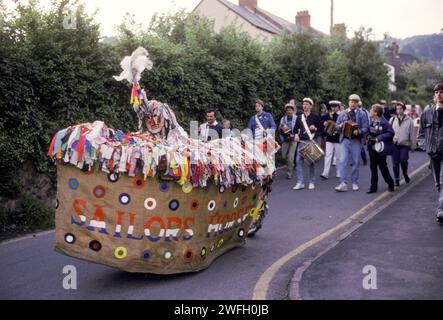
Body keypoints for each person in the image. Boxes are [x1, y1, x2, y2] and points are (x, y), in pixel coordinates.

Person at [417, 83, 443, 223]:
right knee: (437, 183)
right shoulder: (427, 113)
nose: (439, 94)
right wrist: (425, 146)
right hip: (433, 152)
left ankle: (440, 210)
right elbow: (420, 133)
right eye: (437, 92)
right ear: (434, 95)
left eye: (441, 91)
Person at [335, 94, 369, 192]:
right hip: (345, 140)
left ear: (358, 103)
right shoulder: (342, 113)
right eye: (351, 101)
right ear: (348, 102)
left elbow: (365, 127)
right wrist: (340, 126)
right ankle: (343, 183)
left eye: (355, 102)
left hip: (356, 141)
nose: (352, 103)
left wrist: (359, 131)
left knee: (355, 162)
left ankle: (354, 182)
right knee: (342, 161)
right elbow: (336, 126)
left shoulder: (362, 114)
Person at [293, 98, 321, 190]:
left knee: (311, 162)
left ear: (311, 106)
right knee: (298, 161)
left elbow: (321, 130)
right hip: (301, 142)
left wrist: (315, 129)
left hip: (311, 141)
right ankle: (300, 182)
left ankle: (311, 182)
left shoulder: (315, 117)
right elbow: (295, 129)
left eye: (307, 104)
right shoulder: (299, 117)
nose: (304, 106)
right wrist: (296, 135)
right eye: (304, 104)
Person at [366, 104, 395, 193]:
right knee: (373, 167)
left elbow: (391, 133)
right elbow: (370, 131)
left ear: (375, 113)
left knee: (383, 167)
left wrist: (379, 138)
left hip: (380, 148)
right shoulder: (372, 121)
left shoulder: (384, 123)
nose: (370, 111)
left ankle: (390, 183)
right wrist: (367, 136)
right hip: (372, 147)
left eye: (371, 110)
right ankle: (373, 187)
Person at [390, 101, 417, 186]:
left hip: (404, 145)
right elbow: (389, 132)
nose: (398, 110)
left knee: (403, 161)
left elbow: (412, 134)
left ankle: (405, 173)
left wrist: (413, 146)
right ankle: (396, 179)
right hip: (394, 144)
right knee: (395, 163)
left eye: (400, 109)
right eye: (397, 109)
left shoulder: (409, 120)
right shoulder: (392, 119)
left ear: (404, 109)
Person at [320, 101, 341, 180]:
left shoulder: (341, 115)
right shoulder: (327, 115)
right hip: (329, 138)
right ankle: (325, 173)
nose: (333, 108)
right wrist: (324, 123)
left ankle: (339, 172)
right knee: (328, 156)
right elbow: (320, 121)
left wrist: (338, 126)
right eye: (332, 106)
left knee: (338, 156)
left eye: (335, 106)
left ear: (338, 107)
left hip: (338, 138)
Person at [279, 104, 298, 179]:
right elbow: (280, 129)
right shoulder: (283, 119)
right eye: (287, 110)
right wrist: (281, 128)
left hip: (293, 140)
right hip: (285, 139)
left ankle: (289, 172)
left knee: (290, 157)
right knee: (283, 156)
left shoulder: (297, 118)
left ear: (293, 111)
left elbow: (299, 128)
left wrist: (295, 135)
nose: (288, 111)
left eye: (290, 110)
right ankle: (291, 165)